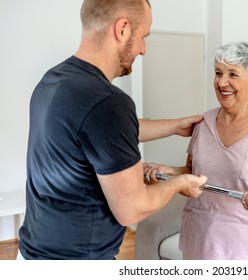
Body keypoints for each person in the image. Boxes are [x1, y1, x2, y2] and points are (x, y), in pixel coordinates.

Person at [17, 0, 207, 260]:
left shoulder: (54, 81)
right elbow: (132, 210)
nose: (143, 50)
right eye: (143, 37)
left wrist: (174, 126)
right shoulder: (108, 103)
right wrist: (179, 184)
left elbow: (102, 132)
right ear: (123, 29)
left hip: (33, 253)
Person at [144, 41, 248, 259]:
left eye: (233, 74)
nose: (222, 82)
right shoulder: (204, 121)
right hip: (199, 240)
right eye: (218, 73)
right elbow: (192, 173)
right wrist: (167, 172)